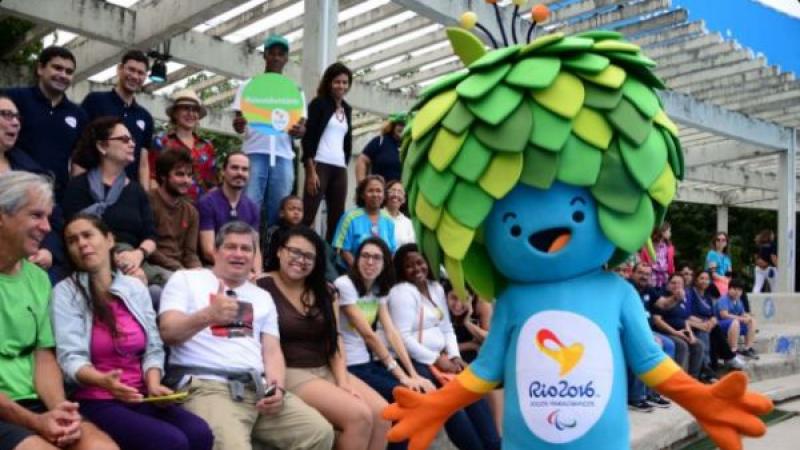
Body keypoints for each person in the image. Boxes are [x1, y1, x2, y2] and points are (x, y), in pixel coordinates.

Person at [158, 221, 334, 450]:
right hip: (207, 386)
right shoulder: (186, 280)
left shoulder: (261, 296)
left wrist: (278, 388)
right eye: (231, 247)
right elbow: (168, 332)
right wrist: (209, 315)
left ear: (254, 257)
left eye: (246, 249)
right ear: (215, 251)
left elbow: (272, 351)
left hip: (257, 388)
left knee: (318, 433)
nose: (238, 254)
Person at [51, 213, 213, 450]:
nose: (81, 243)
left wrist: (154, 383)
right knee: (170, 442)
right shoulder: (66, 293)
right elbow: (69, 358)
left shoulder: (134, 287)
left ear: (109, 240)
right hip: (97, 398)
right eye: (72, 240)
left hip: (140, 394)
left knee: (199, 433)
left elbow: (154, 346)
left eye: (88, 235)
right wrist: (104, 381)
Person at [0, 171, 117, 450]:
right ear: (2, 216)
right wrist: (36, 423)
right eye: (36, 215)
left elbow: (44, 356)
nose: (47, 227)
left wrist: (60, 412)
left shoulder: (38, 278)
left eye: (48, 217)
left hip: (34, 404)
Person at [258, 227, 390, 450]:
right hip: (289, 370)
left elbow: (334, 339)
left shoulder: (325, 291)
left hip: (325, 368)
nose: (301, 260)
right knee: (358, 416)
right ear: (280, 252)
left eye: (309, 256)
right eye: (294, 251)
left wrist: (343, 382)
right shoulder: (260, 286)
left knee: (383, 413)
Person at [388, 243, 501, 450]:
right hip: (419, 362)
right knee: (454, 412)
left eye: (420, 262)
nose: (416, 269)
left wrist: (455, 356)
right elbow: (402, 337)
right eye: (409, 266)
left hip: (445, 359)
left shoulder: (436, 287)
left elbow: (447, 327)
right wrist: (435, 359)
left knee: (475, 399)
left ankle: (493, 445)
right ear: (401, 270)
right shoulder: (401, 292)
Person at [335, 238, 433, 402]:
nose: (370, 262)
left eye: (377, 257)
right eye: (365, 256)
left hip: (367, 361)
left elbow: (392, 332)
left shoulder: (377, 289)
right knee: (407, 396)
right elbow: (369, 335)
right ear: (357, 259)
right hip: (348, 365)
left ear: (385, 263)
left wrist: (412, 373)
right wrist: (403, 377)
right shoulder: (344, 285)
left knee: (420, 389)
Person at [62, 117, 156, 284]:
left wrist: (137, 254)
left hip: (136, 261)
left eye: (132, 139)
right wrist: (117, 261)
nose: (132, 144)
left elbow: (151, 236)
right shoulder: (79, 187)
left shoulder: (137, 191)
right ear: (102, 146)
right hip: (95, 266)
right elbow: (74, 236)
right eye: (124, 139)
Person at [233, 34, 306, 228]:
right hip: (254, 152)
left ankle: (274, 253)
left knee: (281, 211)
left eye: (280, 54)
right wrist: (239, 124)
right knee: (249, 207)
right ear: (264, 56)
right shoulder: (247, 87)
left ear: (286, 59)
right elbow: (238, 121)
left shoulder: (295, 91)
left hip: (282, 155)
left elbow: (302, 126)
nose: (276, 57)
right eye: (271, 53)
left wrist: (299, 130)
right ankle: (249, 252)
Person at [3, 46, 88, 200]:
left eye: (69, 72)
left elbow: (78, 160)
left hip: (56, 196)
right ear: (40, 69)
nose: (63, 75)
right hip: (13, 190)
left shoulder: (78, 114)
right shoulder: (14, 98)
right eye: (57, 68)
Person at [0, 94, 67, 282]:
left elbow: (53, 221)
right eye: (6, 115)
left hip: (29, 265)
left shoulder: (32, 171)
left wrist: (48, 251)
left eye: (17, 117)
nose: (15, 123)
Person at [80, 50, 153, 187]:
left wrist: (145, 198)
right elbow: (80, 147)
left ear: (145, 77)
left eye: (140, 73)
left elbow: (143, 164)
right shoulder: (95, 101)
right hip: (93, 186)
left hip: (128, 192)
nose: (135, 76)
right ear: (119, 69)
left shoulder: (145, 117)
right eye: (131, 70)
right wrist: (78, 185)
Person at [301, 62, 353, 241]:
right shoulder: (318, 104)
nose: (341, 86)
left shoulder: (347, 109)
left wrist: (345, 162)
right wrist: (310, 170)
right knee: (308, 214)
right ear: (329, 82)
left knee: (337, 219)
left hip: (339, 168)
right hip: (319, 165)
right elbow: (308, 137)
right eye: (337, 81)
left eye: (345, 82)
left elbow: (346, 141)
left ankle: (331, 261)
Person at [196, 151, 262, 274]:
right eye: (234, 168)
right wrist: (239, 270)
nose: (240, 173)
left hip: (242, 270)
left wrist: (256, 274)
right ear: (223, 171)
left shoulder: (253, 207)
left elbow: (255, 249)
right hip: (211, 268)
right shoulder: (207, 202)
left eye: (245, 169)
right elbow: (208, 250)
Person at [149, 89, 216, 201]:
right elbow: (152, 177)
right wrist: (158, 205)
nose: (191, 113)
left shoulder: (207, 146)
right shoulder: (161, 141)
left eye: (195, 110)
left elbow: (213, 184)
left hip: (202, 210)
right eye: (185, 108)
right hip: (170, 208)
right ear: (175, 113)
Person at [148, 149, 202, 285]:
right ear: (163, 176)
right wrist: (180, 270)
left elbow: (190, 253)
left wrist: (199, 272)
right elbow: (148, 249)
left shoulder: (191, 212)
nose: (187, 181)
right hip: (151, 266)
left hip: (179, 270)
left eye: (189, 175)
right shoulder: (147, 201)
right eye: (180, 174)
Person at [626, 263, 673, 411]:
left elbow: (663, 304)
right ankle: (636, 397)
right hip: (629, 331)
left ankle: (653, 392)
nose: (644, 276)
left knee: (670, 345)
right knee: (649, 346)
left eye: (647, 274)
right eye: (640, 273)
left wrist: (676, 298)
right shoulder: (626, 288)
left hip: (647, 331)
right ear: (632, 273)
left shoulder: (649, 289)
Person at [685, 270, 746, 381]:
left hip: (707, 324)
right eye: (701, 278)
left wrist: (712, 321)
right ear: (696, 280)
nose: (704, 281)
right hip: (694, 324)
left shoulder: (707, 297)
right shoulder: (690, 294)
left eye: (707, 279)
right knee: (707, 331)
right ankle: (709, 366)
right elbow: (688, 315)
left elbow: (713, 315)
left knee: (714, 328)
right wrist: (704, 322)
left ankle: (715, 365)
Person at [649, 274, 706, 379]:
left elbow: (685, 320)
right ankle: (679, 380)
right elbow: (658, 321)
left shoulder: (681, 300)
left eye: (679, 283)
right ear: (667, 284)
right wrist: (675, 333)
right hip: (666, 331)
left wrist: (691, 335)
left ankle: (692, 378)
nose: (676, 286)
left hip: (681, 331)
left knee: (698, 345)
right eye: (673, 283)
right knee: (682, 345)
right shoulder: (661, 297)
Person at [333, 175, 396, 268]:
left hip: (381, 274)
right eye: (370, 191)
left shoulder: (389, 220)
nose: (375, 194)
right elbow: (342, 250)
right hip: (353, 272)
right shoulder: (350, 217)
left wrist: (383, 271)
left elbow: (392, 251)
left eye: (379, 191)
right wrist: (360, 270)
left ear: (384, 195)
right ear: (362, 195)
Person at [355, 114, 405, 184]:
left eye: (406, 125)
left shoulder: (411, 146)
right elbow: (362, 160)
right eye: (400, 124)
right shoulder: (380, 141)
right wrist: (362, 185)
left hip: (399, 193)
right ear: (393, 126)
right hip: (379, 192)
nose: (403, 128)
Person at [715, 278, 758, 359]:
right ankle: (733, 350)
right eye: (734, 289)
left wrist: (748, 317)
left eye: (739, 290)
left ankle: (747, 348)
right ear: (729, 288)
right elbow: (724, 315)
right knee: (735, 322)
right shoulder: (723, 299)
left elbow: (742, 313)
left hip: (734, 325)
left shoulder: (738, 301)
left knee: (751, 321)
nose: (737, 292)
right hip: (720, 324)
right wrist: (740, 318)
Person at [262, 195, 303, 269]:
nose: (296, 212)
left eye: (299, 210)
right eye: (291, 209)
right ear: (282, 213)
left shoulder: (305, 233)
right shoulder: (276, 233)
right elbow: (271, 257)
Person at [638, 222, 674, 289]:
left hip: (664, 278)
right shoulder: (649, 245)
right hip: (651, 277)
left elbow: (670, 263)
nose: (670, 233)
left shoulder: (669, 247)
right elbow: (643, 261)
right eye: (669, 231)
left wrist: (670, 272)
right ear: (662, 232)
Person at [384, 180, 415, 247]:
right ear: (385, 195)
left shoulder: (408, 223)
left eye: (400, 192)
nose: (396, 195)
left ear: (404, 199)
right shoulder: (376, 216)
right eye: (393, 191)